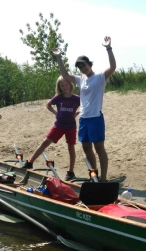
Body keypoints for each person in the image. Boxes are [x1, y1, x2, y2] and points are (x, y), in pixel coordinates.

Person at [52, 36, 116, 181]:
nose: (82, 68)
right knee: (87, 149)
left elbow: (112, 67)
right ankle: (95, 175)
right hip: (83, 118)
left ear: (89, 64)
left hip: (95, 118)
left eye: (84, 65)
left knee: (99, 149)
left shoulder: (100, 77)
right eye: (80, 67)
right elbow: (65, 75)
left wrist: (108, 48)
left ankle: (104, 179)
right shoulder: (81, 79)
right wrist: (59, 57)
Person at [21, 76, 80, 181]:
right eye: (62, 85)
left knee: (71, 148)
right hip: (59, 125)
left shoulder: (76, 98)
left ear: (70, 85)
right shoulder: (58, 97)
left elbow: (86, 106)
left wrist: (76, 114)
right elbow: (48, 105)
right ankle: (30, 162)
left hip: (71, 126)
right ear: (59, 87)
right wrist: (55, 113)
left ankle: (70, 171)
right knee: (45, 142)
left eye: (66, 84)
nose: (65, 87)